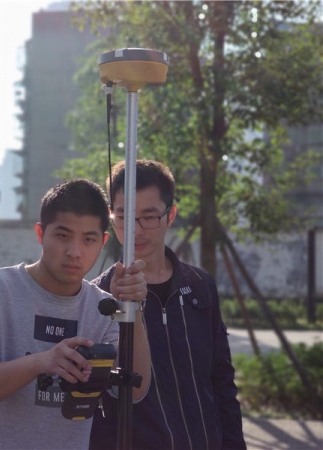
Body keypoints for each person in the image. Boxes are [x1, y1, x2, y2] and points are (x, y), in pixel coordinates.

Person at [0, 179, 149, 450]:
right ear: (41, 233)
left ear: (102, 242)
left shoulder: (104, 309)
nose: (74, 252)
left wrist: (134, 309)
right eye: (63, 235)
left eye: (88, 239)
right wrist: (41, 362)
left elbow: (134, 391)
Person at [89, 160, 246, 449]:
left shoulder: (200, 286)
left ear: (170, 215)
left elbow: (222, 382)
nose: (136, 230)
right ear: (111, 217)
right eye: (123, 216)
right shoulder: (99, 298)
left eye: (149, 217)